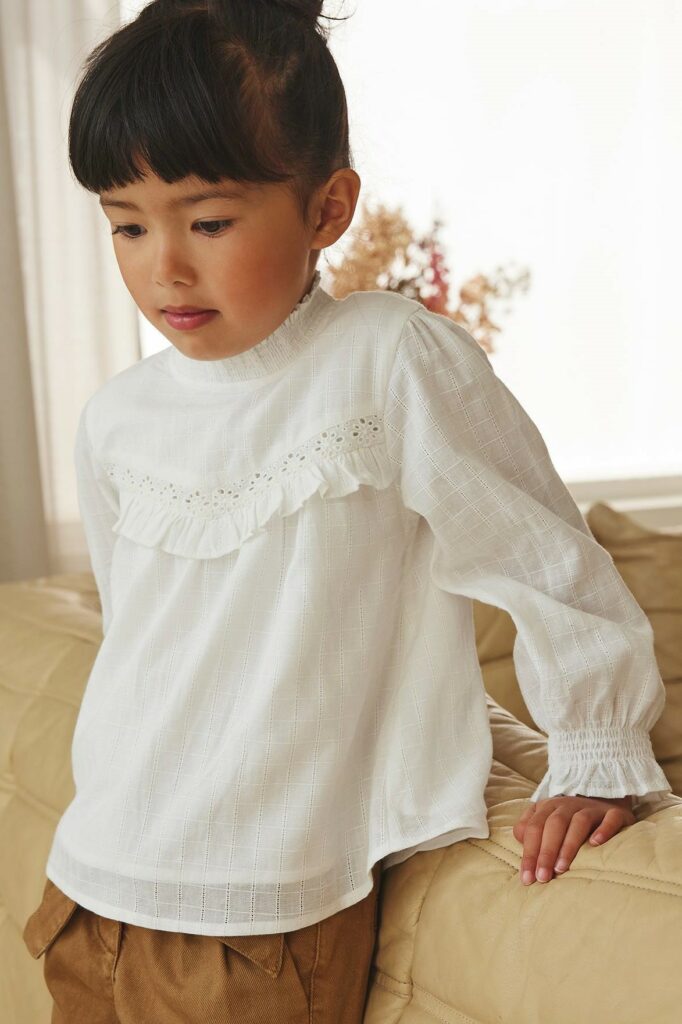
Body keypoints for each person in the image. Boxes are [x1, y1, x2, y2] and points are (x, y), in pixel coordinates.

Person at [22, 0, 674, 1021]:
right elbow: (139, 637)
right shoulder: (117, 418)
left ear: (328, 209)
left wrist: (596, 750)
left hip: (261, 914)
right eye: (126, 224)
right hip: (91, 885)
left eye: (208, 221)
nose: (163, 266)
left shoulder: (387, 359)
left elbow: (542, 554)